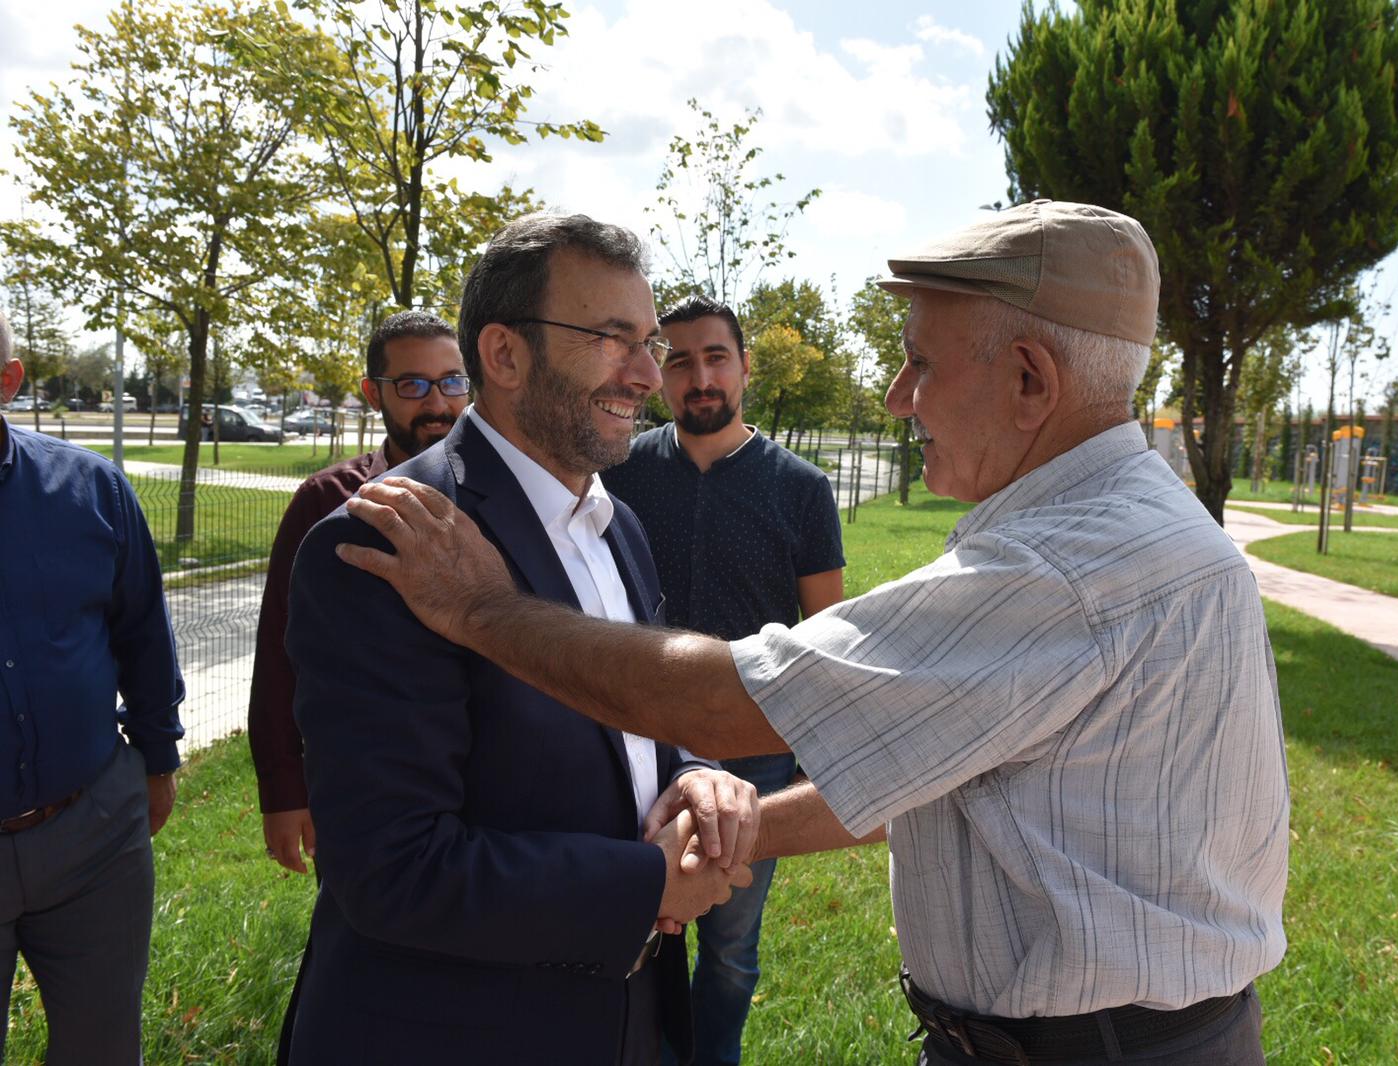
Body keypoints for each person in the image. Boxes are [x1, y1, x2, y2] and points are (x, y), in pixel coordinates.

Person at [340, 200, 1292, 1066]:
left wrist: (481, 610)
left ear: (1030, 378)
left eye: (921, 360)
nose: (896, 395)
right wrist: (727, 815)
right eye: (613, 337)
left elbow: (721, 701)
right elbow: (923, 764)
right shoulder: (1138, 523)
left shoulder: (1065, 567)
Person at [282, 213, 758, 1066]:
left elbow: (626, 714)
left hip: (627, 1023)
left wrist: (695, 775)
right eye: (616, 339)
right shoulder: (392, 543)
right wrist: (650, 886)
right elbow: (393, 868)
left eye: (648, 343)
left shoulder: (618, 525)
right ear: (503, 355)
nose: (651, 375)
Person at [604, 294, 846, 1066]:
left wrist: (814, 756)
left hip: (755, 754)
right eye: (678, 359)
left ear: (744, 367)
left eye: (715, 357)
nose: (698, 376)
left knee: (731, 949)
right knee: (630, 923)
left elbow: (823, 632)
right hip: (635, 743)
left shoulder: (800, 487)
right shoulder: (621, 473)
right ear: (657, 372)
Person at [0, 308, 186, 1063]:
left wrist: (160, 756)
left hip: (93, 833)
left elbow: (143, 631)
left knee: (104, 1049)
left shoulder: (91, 489)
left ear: (6, 381)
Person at [249, 310, 471, 876]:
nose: (438, 403)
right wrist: (282, 788)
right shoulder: (327, 502)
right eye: (413, 385)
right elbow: (279, 648)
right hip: (361, 787)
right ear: (374, 393)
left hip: (489, 785)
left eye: (452, 381)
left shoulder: (503, 497)